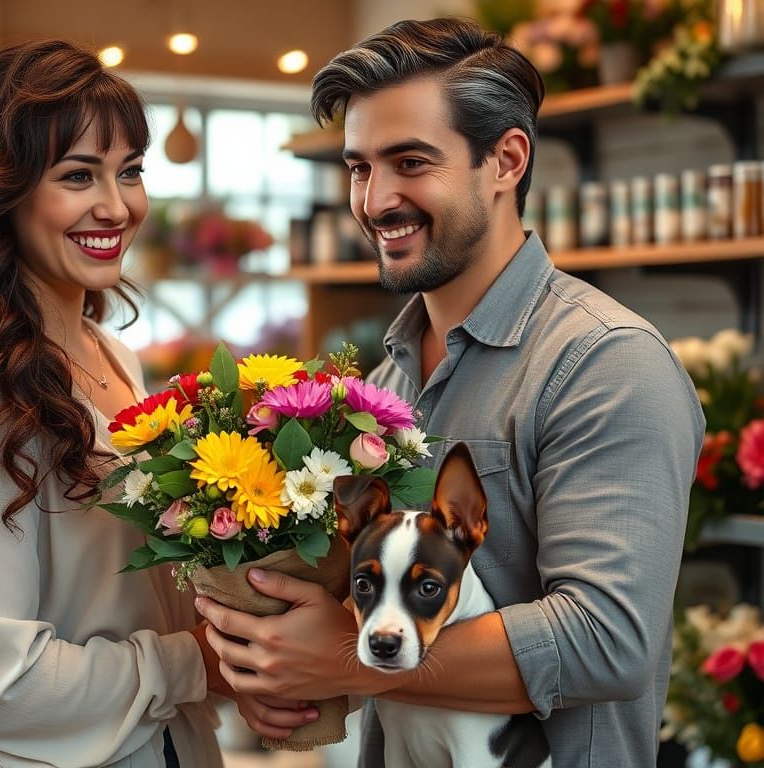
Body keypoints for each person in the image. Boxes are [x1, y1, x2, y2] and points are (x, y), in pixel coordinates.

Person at [195, 17, 706, 766]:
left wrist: (343, 657)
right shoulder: (382, 385)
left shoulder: (605, 364)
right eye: (360, 168)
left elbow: (607, 640)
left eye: (409, 162)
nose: (374, 201)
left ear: (506, 160)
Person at [0, 39, 263, 768]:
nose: (116, 205)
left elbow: (136, 597)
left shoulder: (113, 358)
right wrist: (194, 664)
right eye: (77, 175)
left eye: (130, 172)